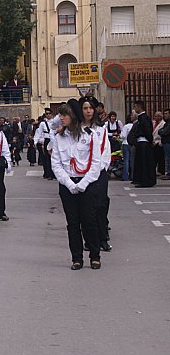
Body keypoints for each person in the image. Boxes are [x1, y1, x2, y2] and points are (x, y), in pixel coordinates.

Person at [50, 101, 102, 270]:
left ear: (72, 116)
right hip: (68, 183)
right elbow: (56, 164)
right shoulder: (58, 138)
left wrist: (83, 183)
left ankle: (94, 255)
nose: (61, 118)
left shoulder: (89, 135)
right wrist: (69, 184)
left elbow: (96, 163)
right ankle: (76, 258)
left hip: (87, 183)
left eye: (64, 114)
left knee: (89, 220)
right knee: (72, 223)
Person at [79, 96, 112, 252]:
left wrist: (100, 168)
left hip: (99, 173)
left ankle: (102, 238)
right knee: (86, 209)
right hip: (82, 174)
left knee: (101, 205)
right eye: (85, 108)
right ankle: (89, 240)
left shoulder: (101, 129)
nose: (88, 111)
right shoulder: (76, 129)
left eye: (90, 108)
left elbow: (106, 151)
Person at [131, 101, 156, 188]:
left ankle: (145, 181)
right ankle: (142, 180)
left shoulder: (144, 118)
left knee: (144, 163)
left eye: (135, 107)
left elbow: (147, 131)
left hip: (144, 143)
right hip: (142, 142)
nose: (134, 109)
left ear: (139, 107)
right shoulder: (142, 118)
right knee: (142, 162)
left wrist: (150, 140)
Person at [37, 108, 56, 180]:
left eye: (49, 113)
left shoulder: (55, 121)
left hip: (54, 139)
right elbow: (39, 132)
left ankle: (55, 174)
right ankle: (49, 174)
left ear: (52, 114)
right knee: (47, 158)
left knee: (54, 158)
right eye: (46, 114)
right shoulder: (43, 123)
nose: (48, 115)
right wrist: (36, 141)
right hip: (47, 140)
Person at [120, 113, 134, 182]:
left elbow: (122, 135)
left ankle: (125, 176)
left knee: (126, 161)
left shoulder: (126, 126)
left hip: (125, 143)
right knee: (132, 161)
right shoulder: (134, 125)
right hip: (132, 144)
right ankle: (132, 175)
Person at [152, 111, 166, 176]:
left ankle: (161, 171)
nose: (154, 117)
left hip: (159, 143)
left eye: (156, 116)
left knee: (160, 158)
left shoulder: (163, 123)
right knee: (154, 158)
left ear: (160, 117)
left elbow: (161, 134)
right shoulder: (154, 123)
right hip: (153, 142)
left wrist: (157, 142)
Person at [161, 109, 170, 180]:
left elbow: (164, 132)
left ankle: (168, 173)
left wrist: (161, 131)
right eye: (164, 114)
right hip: (165, 142)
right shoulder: (166, 123)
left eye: (166, 113)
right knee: (166, 158)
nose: (165, 115)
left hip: (168, 142)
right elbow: (160, 131)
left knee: (168, 158)